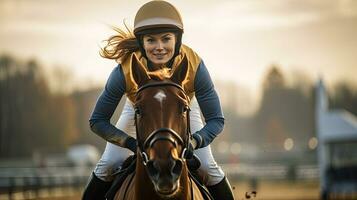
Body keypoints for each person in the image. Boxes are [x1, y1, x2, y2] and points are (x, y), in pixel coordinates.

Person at [82, 1, 235, 200]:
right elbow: (98, 120)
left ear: (177, 40)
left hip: (182, 105)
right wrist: (129, 143)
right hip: (140, 106)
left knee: (207, 167)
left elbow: (216, 120)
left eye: (166, 39)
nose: (159, 47)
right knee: (108, 165)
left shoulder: (195, 64)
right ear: (142, 43)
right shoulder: (125, 69)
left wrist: (195, 141)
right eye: (151, 41)